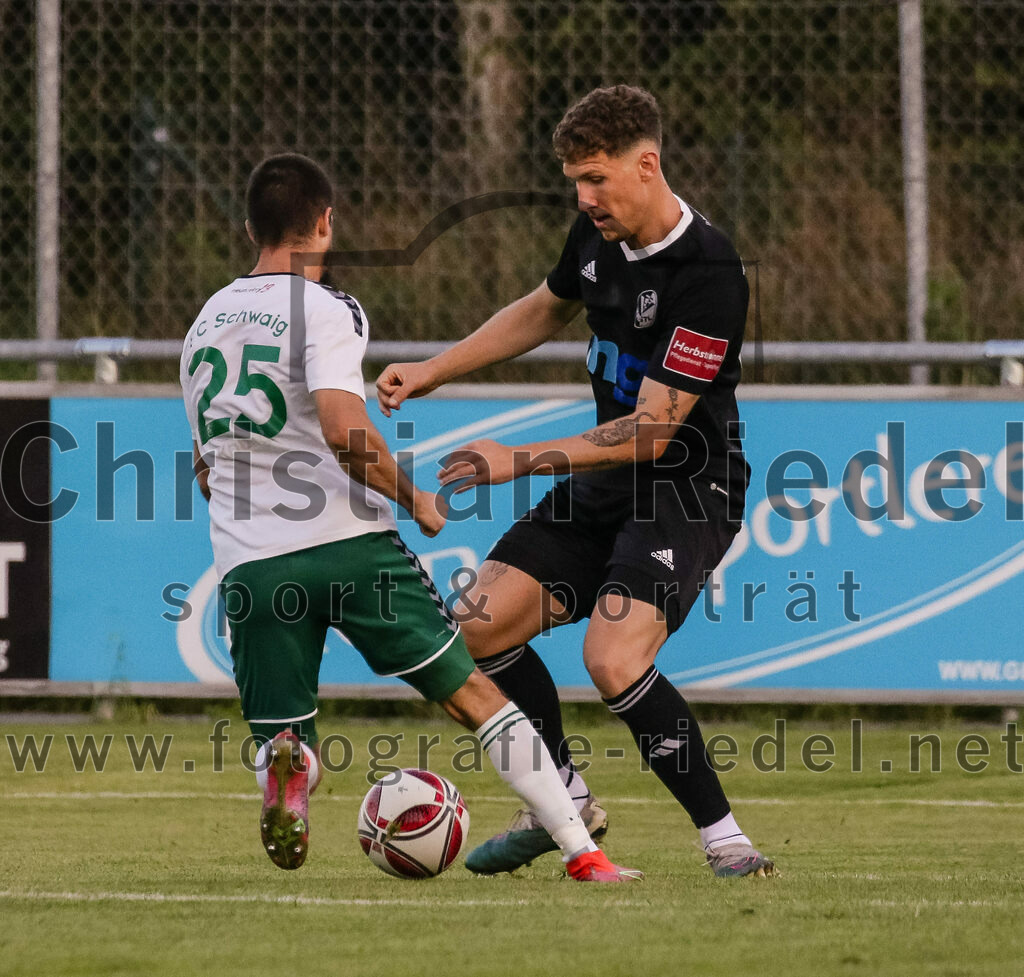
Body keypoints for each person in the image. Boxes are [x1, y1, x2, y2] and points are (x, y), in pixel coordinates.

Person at [179, 152, 641, 882]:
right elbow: (341, 426)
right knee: (474, 696)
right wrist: (413, 497)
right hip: (349, 545)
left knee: (280, 734)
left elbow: (206, 467)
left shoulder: (204, 324)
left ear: (248, 229)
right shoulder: (326, 308)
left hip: (250, 561)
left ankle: (288, 766)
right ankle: (583, 852)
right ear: (326, 223)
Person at [376, 87, 775, 878]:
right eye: (574, 181)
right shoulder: (596, 236)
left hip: (687, 487)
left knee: (613, 655)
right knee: (476, 627)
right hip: (604, 486)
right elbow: (542, 308)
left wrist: (514, 458)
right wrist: (433, 370)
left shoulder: (711, 270)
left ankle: (725, 838)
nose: (583, 197)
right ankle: (563, 794)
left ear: (647, 164)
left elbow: (656, 429)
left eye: (595, 178)